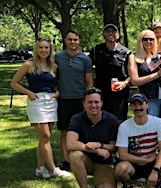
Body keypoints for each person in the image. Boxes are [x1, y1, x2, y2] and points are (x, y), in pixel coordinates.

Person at [10, 38, 71, 178]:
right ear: (36, 49)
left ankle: (40, 168)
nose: (44, 50)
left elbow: (54, 84)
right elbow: (14, 83)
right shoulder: (29, 65)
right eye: (41, 47)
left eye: (47, 48)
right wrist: (28, 93)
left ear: (50, 50)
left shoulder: (53, 66)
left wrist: (57, 92)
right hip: (36, 101)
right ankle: (54, 169)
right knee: (46, 136)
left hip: (50, 101)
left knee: (43, 139)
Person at [115, 93, 161, 188]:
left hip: (152, 162)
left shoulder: (158, 122)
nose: (138, 107)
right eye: (134, 105)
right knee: (120, 169)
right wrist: (145, 159)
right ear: (131, 107)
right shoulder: (124, 126)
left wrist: (155, 170)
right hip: (133, 163)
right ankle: (127, 186)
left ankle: (158, 180)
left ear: (147, 105)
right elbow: (122, 154)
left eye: (141, 104)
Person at [66, 88, 118, 188]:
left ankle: (99, 184)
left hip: (104, 164)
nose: (93, 105)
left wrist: (101, 145)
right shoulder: (77, 119)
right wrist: (95, 150)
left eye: (96, 102)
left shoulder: (111, 119)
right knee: (75, 155)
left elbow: (114, 148)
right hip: (86, 160)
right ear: (83, 104)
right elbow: (70, 143)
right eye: (89, 102)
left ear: (101, 103)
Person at [128, 30, 161, 156]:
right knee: (151, 131)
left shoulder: (155, 57)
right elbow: (136, 81)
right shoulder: (135, 57)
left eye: (151, 39)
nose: (149, 42)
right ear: (140, 40)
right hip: (149, 100)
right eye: (145, 39)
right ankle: (149, 160)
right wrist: (156, 75)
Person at [56, 29, 94, 171]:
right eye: (70, 39)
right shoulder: (57, 57)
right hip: (64, 99)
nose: (73, 42)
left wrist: (88, 100)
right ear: (65, 40)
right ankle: (66, 160)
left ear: (79, 41)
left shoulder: (85, 59)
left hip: (80, 100)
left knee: (82, 130)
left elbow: (89, 81)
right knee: (65, 131)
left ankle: (82, 158)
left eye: (75, 39)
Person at [90, 23, 131, 124]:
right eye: (107, 31)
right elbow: (87, 68)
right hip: (101, 94)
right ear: (103, 34)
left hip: (120, 95)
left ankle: (118, 140)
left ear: (118, 35)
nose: (110, 33)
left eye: (113, 31)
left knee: (119, 123)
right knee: (101, 122)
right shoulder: (96, 50)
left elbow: (132, 74)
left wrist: (124, 83)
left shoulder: (125, 52)